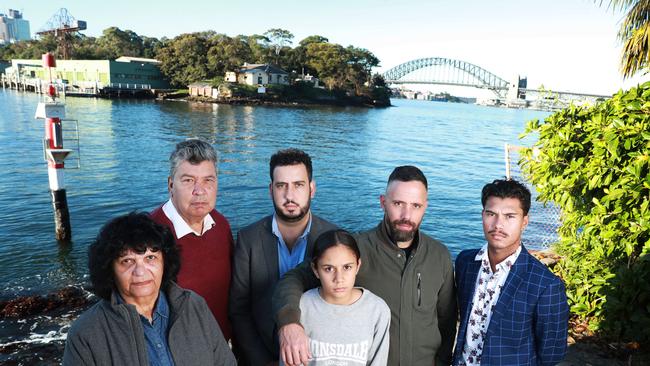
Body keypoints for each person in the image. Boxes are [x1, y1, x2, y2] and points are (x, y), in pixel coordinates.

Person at [273, 165, 457, 366]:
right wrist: (289, 323)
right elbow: (293, 279)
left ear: (425, 206)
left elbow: (447, 324)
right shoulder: (353, 251)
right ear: (383, 203)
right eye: (398, 203)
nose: (406, 215)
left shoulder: (439, 256)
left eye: (416, 206)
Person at [63, 212, 236, 365]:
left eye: (150, 258)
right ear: (110, 269)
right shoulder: (85, 334)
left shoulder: (194, 305)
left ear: (164, 262)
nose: (140, 272)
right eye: (127, 261)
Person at [230, 148, 337, 366]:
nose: (290, 196)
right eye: (281, 186)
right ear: (271, 189)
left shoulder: (334, 239)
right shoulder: (248, 239)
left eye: (298, 185)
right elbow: (239, 310)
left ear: (312, 189)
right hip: (261, 357)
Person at [453, 179, 569, 365]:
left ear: (524, 221)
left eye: (509, 216)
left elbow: (551, 354)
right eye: (491, 214)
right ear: (482, 215)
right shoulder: (465, 262)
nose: (498, 224)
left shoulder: (546, 285)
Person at [150, 138, 234, 341]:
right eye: (188, 180)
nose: (200, 190)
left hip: (220, 346)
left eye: (208, 180)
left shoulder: (221, 225)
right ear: (171, 185)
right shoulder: (149, 235)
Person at [286, 229, 391, 366]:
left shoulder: (377, 310)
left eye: (347, 267)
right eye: (328, 269)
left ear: (358, 266)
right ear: (316, 269)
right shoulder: (301, 307)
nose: (339, 278)